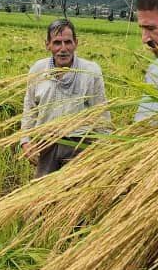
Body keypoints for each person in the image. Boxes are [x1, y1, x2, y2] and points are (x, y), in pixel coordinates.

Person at [21, 19, 110, 177]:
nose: (63, 49)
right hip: (46, 143)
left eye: (68, 42)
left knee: (74, 196)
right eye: (57, 43)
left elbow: (101, 112)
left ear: (76, 43)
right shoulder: (38, 69)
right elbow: (30, 109)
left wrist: (106, 147)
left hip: (80, 144)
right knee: (42, 195)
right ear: (47, 44)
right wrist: (26, 141)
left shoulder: (91, 71)